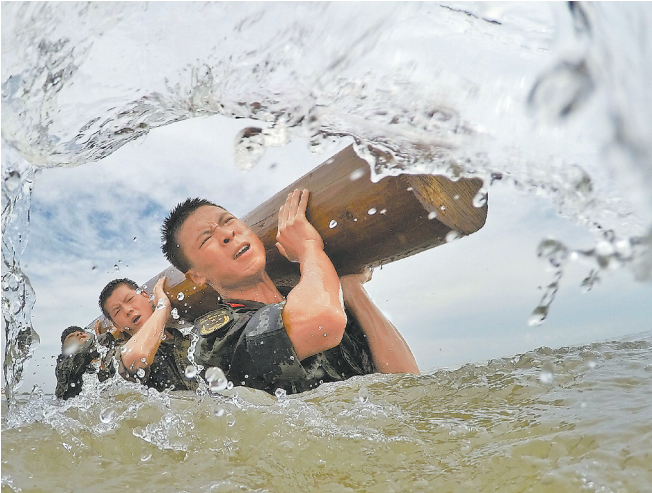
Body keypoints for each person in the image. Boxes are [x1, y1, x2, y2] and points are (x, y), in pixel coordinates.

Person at [161, 189, 419, 395]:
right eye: (206, 239)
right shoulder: (214, 337)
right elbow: (323, 322)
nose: (227, 234)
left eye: (228, 221)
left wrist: (351, 288)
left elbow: (405, 381)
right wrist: (308, 246)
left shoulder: (318, 292)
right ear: (197, 276)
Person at [98, 277, 198, 392]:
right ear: (117, 326)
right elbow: (139, 355)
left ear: (146, 296)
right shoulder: (117, 356)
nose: (127, 310)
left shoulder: (191, 338)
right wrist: (163, 306)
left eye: (130, 299)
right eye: (117, 311)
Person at [54, 323, 118, 400]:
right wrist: (106, 337)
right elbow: (74, 360)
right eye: (71, 336)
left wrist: (102, 341)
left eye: (81, 332)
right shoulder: (64, 363)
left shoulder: (104, 354)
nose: (79, 334)